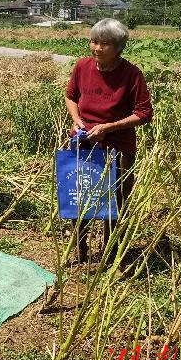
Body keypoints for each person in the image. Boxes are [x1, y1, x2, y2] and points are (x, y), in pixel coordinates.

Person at [65, 17, 153, 262]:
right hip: (83, 142)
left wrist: (109, 127)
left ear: (118, 47)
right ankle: (80, 252)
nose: (96, 48)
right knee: (79, 197)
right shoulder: (82, 66)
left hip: (117, 147)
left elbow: (144, 113)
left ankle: (111, 255)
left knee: (115, 203)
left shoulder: (132, 74)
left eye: (104, 44)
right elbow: (71, 96)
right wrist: (76, 119)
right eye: (93, 41)